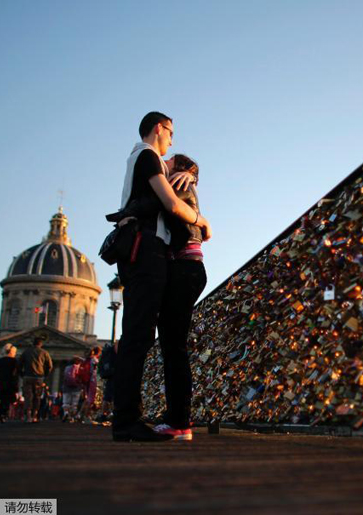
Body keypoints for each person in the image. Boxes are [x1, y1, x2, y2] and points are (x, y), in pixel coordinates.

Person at [111, 111, 210, 443]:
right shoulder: (148, 155)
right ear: (159, 128)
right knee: (140, 336)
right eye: (171, 133)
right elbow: (170, 203)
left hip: (145, 254)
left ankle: (135, 419)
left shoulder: (139, 159)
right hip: (147, 252)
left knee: (141, 335)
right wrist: (202, 220)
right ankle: (129, 421)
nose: (172, 141)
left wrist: (189, 174)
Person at [152, 154, 208, 441]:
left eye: (170, 160)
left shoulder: (176, 183)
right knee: (175, 347)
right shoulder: (185, 183)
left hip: (185, 269)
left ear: (179, 168)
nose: (164, 159)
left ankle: (179, 421)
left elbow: (168, 208)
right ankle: (178, 417)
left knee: (174, 348)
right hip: (191, 268)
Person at [18, 336, 53, 423]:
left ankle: (28, 415)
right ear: (41, 344)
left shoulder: (26, 352)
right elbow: (50, 366)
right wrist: (44, 375)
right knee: (37, 397)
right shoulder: (44, 352)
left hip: (27, 377)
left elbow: (19, 364)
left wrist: (22, 374)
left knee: (28, 397)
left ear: (33, 343)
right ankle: (35, 416)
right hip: (39, 378)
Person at [0, 344, 19, 422]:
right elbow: (14, 373)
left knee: (2, 398)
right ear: (12, 352)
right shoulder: (14, 361)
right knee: (8, 399)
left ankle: (2, 414)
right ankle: (5, 414)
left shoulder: (1, 360)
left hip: (1, 381)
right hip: (9, 381)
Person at [78, 347, 101, 423]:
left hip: (87, 380)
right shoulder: (94, 360)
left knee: (87, 399)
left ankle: (80, 414)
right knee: (91, 399)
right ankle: (86, 417)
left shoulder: (87, 359)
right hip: (92, 380)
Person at [97, 340, 118, 424]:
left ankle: (103, 415)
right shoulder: (116, 349)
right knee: (113, 396)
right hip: (115, 375)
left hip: (109, 375)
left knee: (107, 397)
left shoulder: (108, 351)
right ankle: (111, 414)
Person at [62, 357, 84, 422]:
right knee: (74, 403)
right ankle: (72, 417)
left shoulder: (67, 368)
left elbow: (64, 377)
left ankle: (66, 413)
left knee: (66, 402)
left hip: (67, 387)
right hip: (76, 388)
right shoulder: (80, 368)